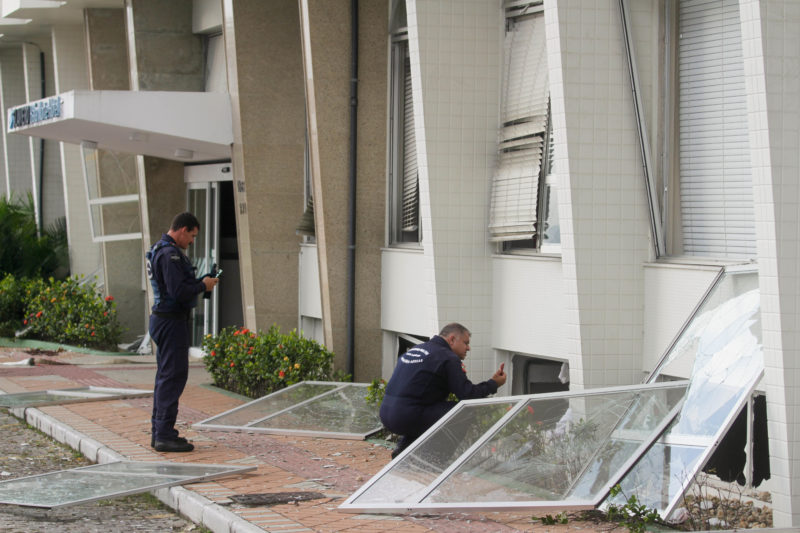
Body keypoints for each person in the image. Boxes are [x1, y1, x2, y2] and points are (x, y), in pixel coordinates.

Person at [146, 212, 219, 452]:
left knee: (166, 377)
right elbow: (178, 292)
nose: (192, 241)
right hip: (171, 322)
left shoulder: (160, 249)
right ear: (182, 230)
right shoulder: (170, 254)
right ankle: (164, 435)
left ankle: (160, 432)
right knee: (173, 377)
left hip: (164, 320)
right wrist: (203, 285)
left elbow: (176, 286)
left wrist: (201, 282)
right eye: (192, 236)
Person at [380, 323, 507, 459]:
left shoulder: (416, 349)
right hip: (408, 416)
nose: (468, 348)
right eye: (466, 343)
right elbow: (467, 395)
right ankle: (435, 461)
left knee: (428, 411)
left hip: (387, 414)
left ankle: (402, 452)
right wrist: (493, 383)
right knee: (464, 411)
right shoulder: (448, 357)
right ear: (452, 339)